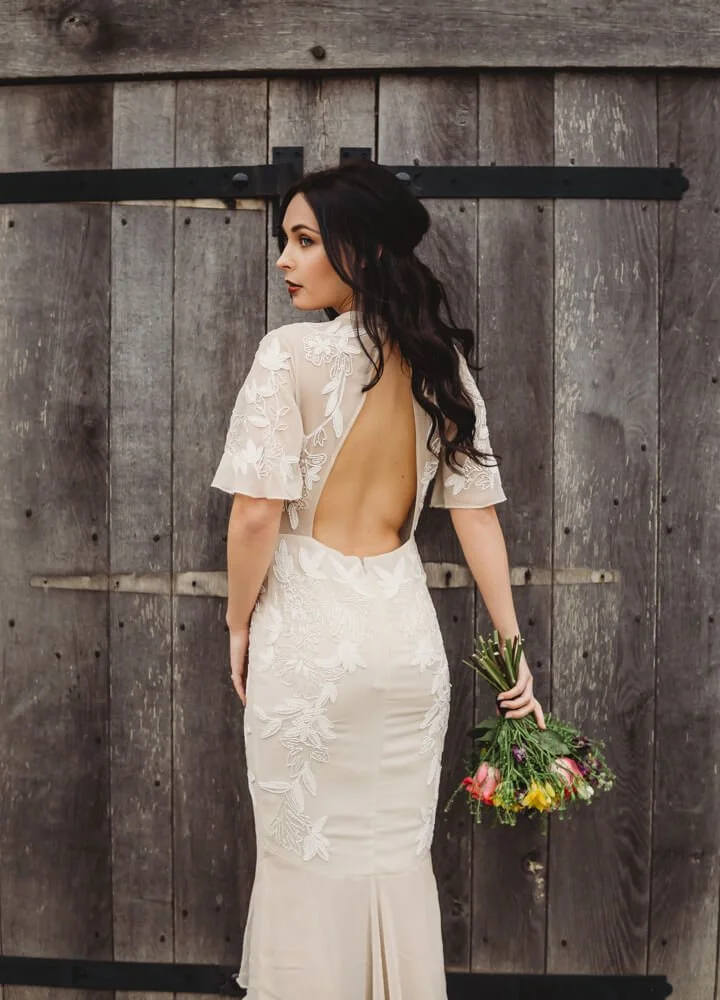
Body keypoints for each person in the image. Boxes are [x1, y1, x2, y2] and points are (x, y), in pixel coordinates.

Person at [210, 158, 546, 999]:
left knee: (304, 865)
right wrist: (513, 654)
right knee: (395, 862)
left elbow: (257, 513)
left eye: (303, 240)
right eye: (284, 240)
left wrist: (238, 622)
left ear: (357, 249)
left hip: (312, 646)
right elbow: (476, 515)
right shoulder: (440, 366)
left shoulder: (289, 355)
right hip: (405, 653)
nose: (283, 260)